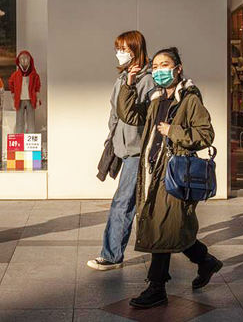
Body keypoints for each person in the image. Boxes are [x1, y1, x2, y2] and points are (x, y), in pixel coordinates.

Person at [117, 47, 222, 309]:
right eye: (156, 65)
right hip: (153, 172)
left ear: (178, 68)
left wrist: (172, 130)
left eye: (165, 64)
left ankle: (156, 288)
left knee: (162, 226)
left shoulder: (189, 100)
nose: (159, 69)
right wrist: (129, 84)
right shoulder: (155, 99)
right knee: (168, 227)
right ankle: (206, 261)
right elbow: (129, 114)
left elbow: (205, 134)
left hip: (175, 173)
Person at [87, 30, 155, 271]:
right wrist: (112, 141)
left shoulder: (147, 80)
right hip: (122, 147)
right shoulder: (123, 76)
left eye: (125, 49)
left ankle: (112, 255)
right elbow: (115, 114)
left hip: (137, 151)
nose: (120, 53)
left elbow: (137, 117)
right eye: (118, 49)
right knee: (126, 202)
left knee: (123, 203)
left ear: (136, 50)